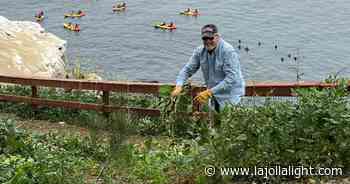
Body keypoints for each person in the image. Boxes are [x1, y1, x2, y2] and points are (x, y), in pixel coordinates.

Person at [171, 24, 245, 112]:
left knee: (227, 123)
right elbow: (187, 70)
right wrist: (179, 85)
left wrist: (209, 92)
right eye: (205, 39)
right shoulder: (200, 51)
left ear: (217, 36)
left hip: (231, 97)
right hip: (213, 96)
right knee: (213, 123)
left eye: (211, 38)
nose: (208, 41)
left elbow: (231, 79)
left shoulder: (228, 51)